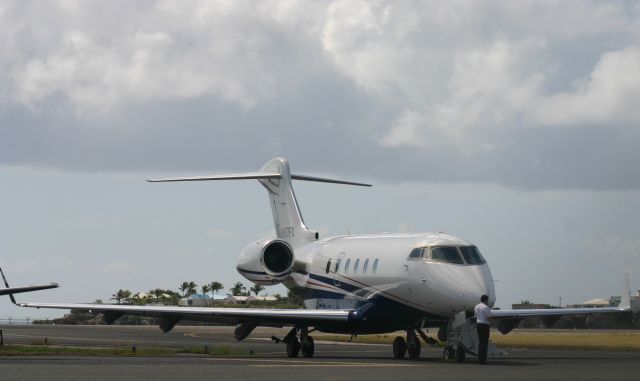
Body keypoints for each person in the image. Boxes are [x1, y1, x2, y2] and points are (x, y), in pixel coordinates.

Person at [474, 294, 492, 364]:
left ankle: (480, 359)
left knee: (481, 342)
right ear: (485, 300)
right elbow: (489, 317)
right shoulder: (486, 307)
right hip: (484, 325)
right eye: (487, 300)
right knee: (485, 343)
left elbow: (475, 316)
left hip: (478, 325)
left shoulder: (477, 307)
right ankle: (483, 360)